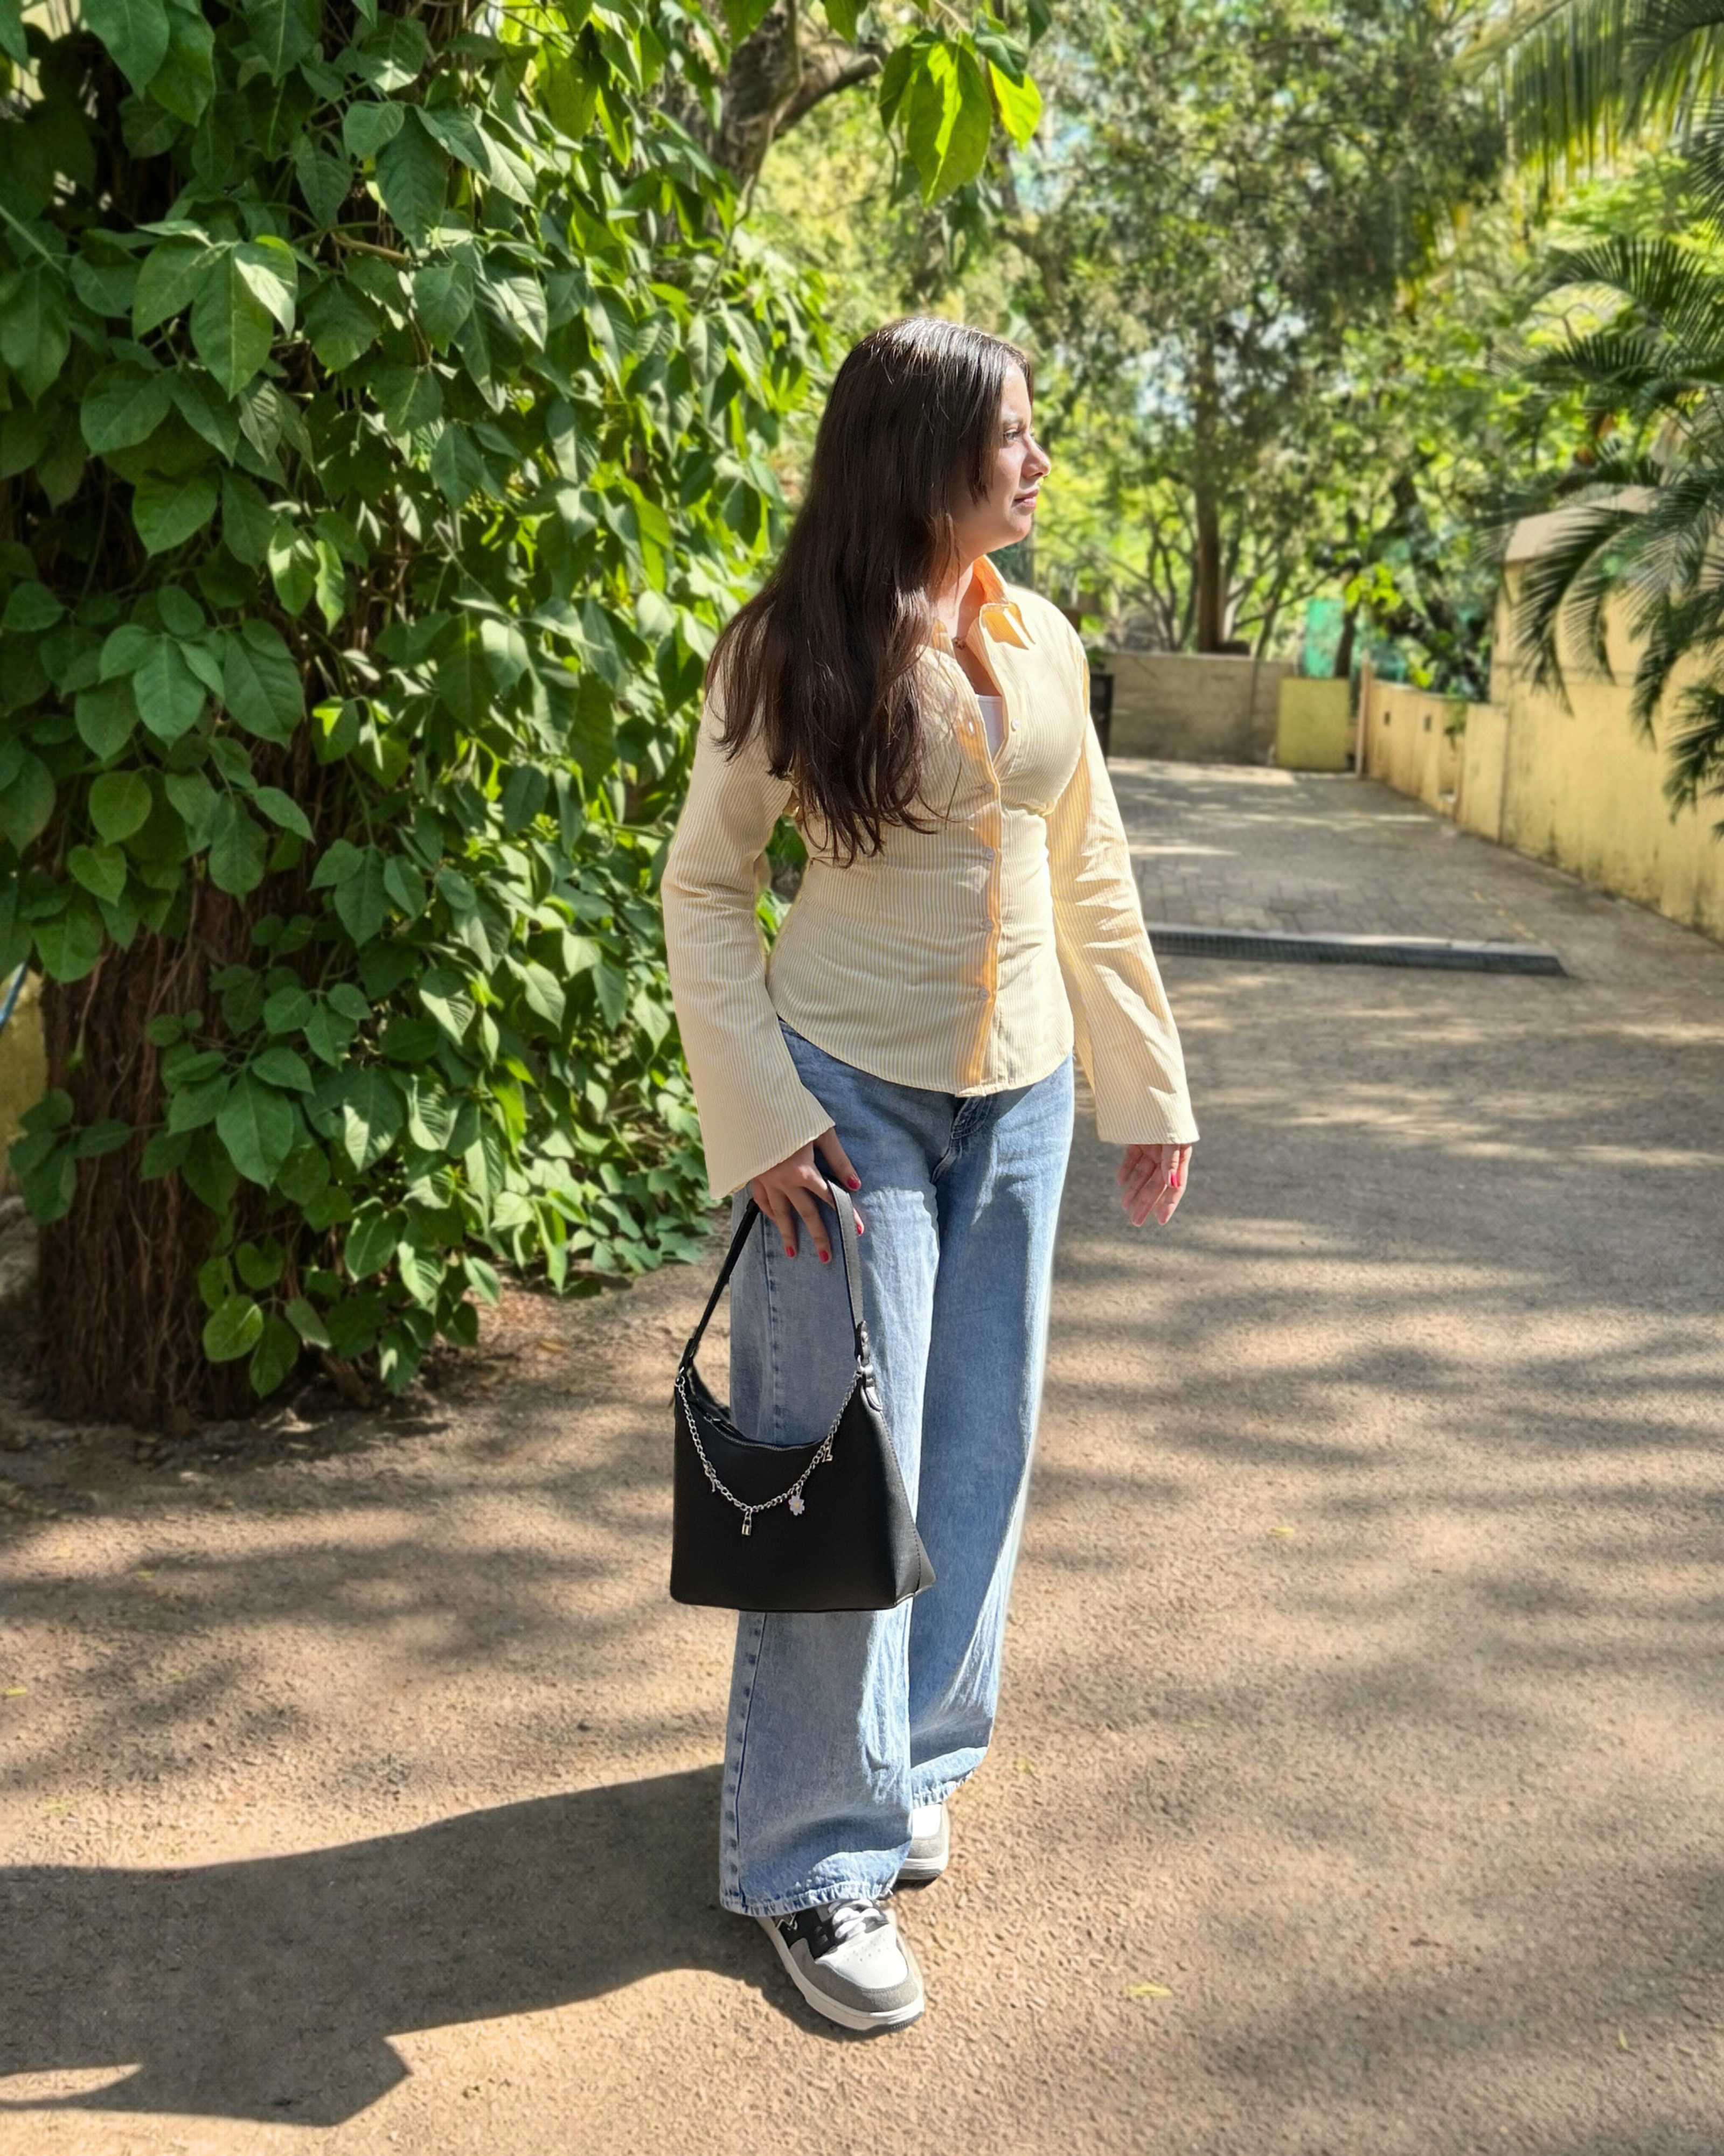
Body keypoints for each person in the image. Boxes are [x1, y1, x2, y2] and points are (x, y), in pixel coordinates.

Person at [661, 316, 1198, 2032]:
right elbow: (702, 892)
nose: (1040, 462)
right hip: (842, 1107)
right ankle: (814, 1859)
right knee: (840, 1471)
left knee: (980, 1437)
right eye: (1015, 438)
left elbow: (1087, 866)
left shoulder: (1038, 634)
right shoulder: (785, 649)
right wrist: (759, 1123)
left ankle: (920, 1760)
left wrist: (1145, 1088)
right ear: (924, 456)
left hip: (1021, 1096)